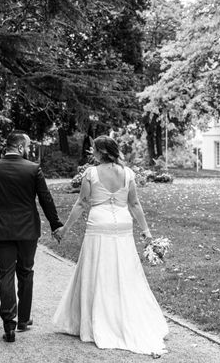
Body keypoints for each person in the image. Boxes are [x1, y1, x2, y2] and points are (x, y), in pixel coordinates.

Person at [52, 135, 168, 356]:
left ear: (101, 152)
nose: (91, 153)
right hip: (123, 224)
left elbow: (82, 203)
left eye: (93, 149)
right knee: (124, 270)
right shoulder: (127, 173)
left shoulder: (91, 173)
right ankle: (123, 314)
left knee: (97, 269)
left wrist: (64, 229)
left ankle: (95, 319)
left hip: (99, 223)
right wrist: (147, 233)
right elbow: (134, 204)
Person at [0, 131, 63, 343]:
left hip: (3, 229)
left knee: (5, 273)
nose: (29, 150)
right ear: (21, 147)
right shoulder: (33, 169)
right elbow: (45, 199)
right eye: (28, 146)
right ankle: (23, 319)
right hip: (27, 230)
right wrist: (55, 224)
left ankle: (9, 323)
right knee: (26, 271)